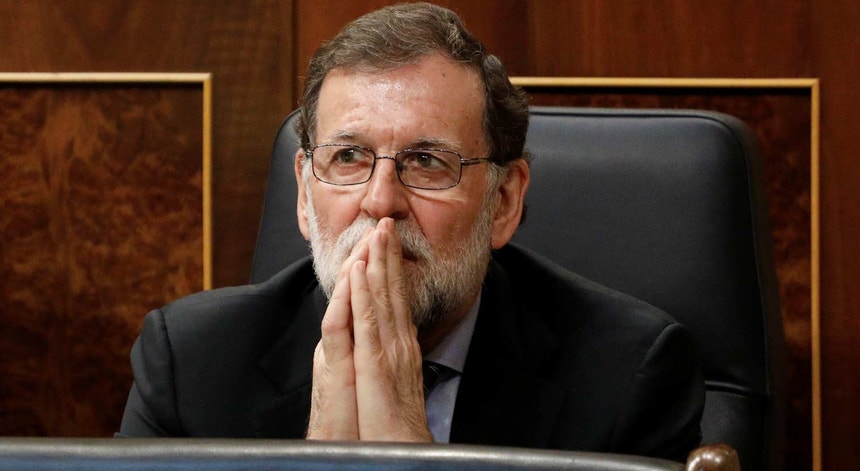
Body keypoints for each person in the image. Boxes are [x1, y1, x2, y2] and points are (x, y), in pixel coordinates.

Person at [118, 2, 704, 462]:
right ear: (302, 192)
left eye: (426, 162)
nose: (380, 202)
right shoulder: (192, 362)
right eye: (348, 157)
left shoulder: (629, 376)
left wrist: (406, 455)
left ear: (503, 201)